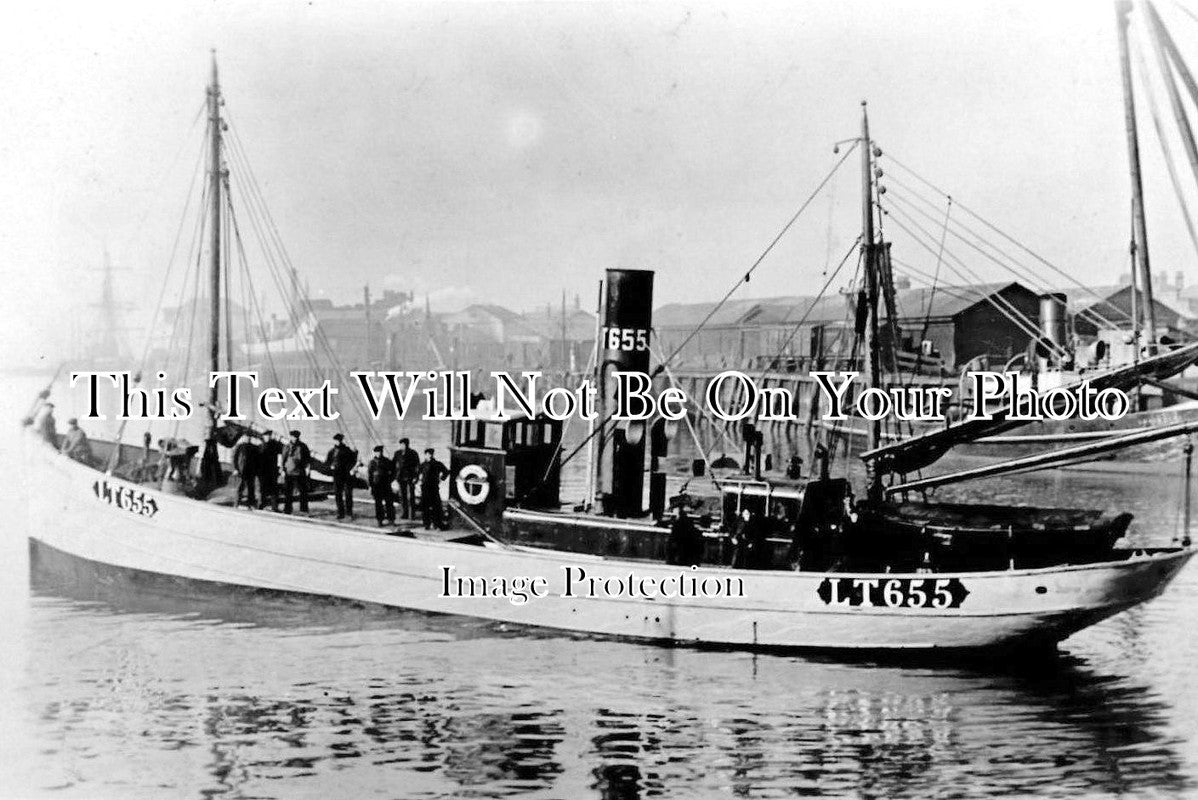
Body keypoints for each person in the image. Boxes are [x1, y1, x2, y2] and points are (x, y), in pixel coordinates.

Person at [325, 433, 357, 520]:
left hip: (346, 475)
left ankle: (349, 512)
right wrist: (330, 467)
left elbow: (353, 461)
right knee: (338, 494)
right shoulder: (332, 451)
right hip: (337, 475)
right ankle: (340, 512)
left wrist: (351, 468)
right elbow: (327, 463)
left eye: (339, 440)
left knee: (348, 494)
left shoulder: (347, 450)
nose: (338, 442)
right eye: (336, 440)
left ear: (341, 441)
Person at [418, 447, 450, 530]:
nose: (429, 456)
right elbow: (417, 473)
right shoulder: (423, 465)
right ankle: (427, 524)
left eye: (430, 454)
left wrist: (441, 479)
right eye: (428, 454)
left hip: (433, 488)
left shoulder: (437, 464)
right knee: (425, 507)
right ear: (425, 455)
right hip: (424, 488)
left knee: (436, 506)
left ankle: (437, 524)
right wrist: (417, 480)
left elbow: (446, 472)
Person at [282, 430, 311, 514]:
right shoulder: (287, 446)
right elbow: (283, 459)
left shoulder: (303, 446)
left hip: (300, 471)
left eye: (296, 437)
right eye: (293, 436)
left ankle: (304, 509)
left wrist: (308, 468)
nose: (294, 438)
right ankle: (287, 509)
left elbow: (307, 458)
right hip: (289, 471)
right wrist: (282, 470)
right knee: (288, 491)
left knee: (303, 491)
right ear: (291, 437)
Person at [367, 444, 397, 527]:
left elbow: (394, 471)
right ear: (375, 453)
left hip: (386, 485)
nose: (378, 454)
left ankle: (391, 519)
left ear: (382, 452)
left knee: (389, 503)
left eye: (379, 452)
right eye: (377, 452)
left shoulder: (387, 461)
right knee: (378, 504)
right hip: (376, 486)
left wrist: (390, 480)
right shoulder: (372, 463)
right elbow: (369, 475)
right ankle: (379, 520)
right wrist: (370, 486)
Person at [393, 438, 420, 520]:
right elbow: (393, 464)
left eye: (404, 444)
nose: (402, 446)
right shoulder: (397, 453)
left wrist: (416, 477)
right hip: (401, 478)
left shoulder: (413, 453)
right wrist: (394, 476)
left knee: (411, 497)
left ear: (407, 444)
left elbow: (417, 466)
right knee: (403, 497)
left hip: (410, 478)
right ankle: (405, 513)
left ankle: (412, 515)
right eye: (401, 444)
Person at [258, 430, 284, 511]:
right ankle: (260, 505)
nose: (268, 437)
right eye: (266, 435)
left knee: (274, 490)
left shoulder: (275, 445)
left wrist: (280, 467)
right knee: (262, 489)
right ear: (263, 437)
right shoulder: (260, 446)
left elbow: (280, 455)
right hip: (263, 471)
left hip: (273, 471)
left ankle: (274, 507)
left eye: (269, 435)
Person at [231, 436, 259, 508]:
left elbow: (257, 460)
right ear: (244, 438)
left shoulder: (254, 447)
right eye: (247, 437)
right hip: (241, 470)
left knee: (251, 488)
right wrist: (235, 469)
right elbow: (234, 458)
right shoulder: (240, 446)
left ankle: (251, 504)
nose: (248, 439)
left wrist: (256, 470)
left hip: (251, 471)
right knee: (240, 487)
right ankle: (236, 503)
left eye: (249, 437)